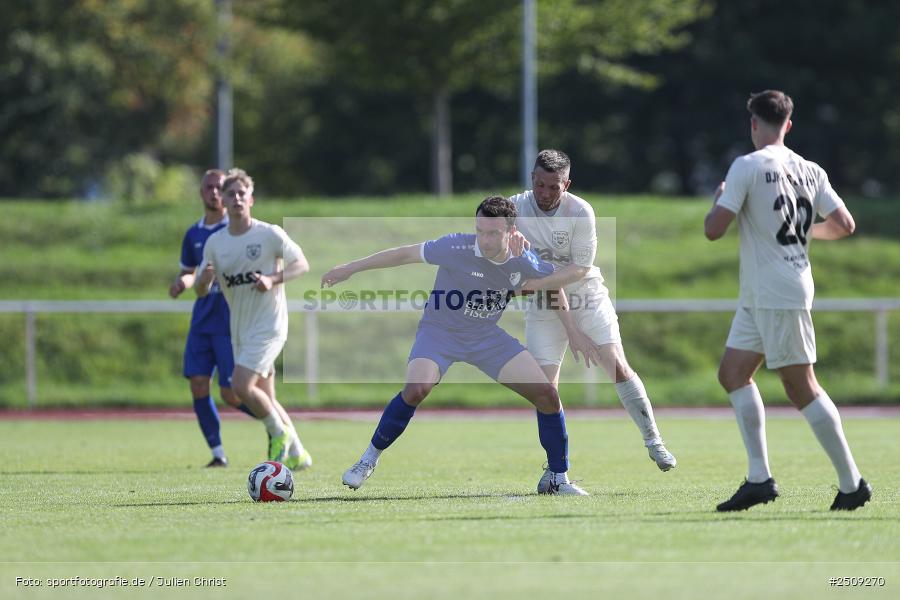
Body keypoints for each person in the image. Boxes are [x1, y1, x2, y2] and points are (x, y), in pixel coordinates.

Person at [322, 195, 589, 495]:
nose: (484, 240)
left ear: (512, 233)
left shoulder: (523, 258)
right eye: (480, 231)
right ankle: (367, 460)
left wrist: (572, 329)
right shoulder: (454, 247)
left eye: (493, 233)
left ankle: (557, 477)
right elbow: (403, 254)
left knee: (547, 395)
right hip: (440, 332)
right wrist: (351, 268)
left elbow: (553, 283)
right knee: (415, 389)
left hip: (485, 336)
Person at [704, 89, 870, 511]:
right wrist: (801, 232)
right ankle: (759, 479)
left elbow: (713, 229)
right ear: (788, 125)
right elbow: (845, 224)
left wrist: (721, 196)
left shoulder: (746, 165)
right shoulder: (809, 168)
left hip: (776, 291)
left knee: (802, 388)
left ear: (754, 123)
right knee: (733, 374)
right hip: (766, 290)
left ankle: (853, 484)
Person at [509, 150, 677, 472]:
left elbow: (578, 270)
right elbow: (488, 229)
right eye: (540, 185)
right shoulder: (515, 207)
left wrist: (531, 289)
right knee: (545, 391)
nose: (544, 194)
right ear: (532, 179)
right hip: (543, 304)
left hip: (586, 296)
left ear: (567, 184)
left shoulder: (581, 211)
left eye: (553, 187)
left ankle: (654, 441)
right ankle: (555, 470)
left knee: (615, 364)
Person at [196, 168, 313, 471]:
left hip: (270, 325)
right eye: (230, 193)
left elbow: (302, 265)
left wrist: (274, 279)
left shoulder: (268, 234)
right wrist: (205, 280)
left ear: (251, 199)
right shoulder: (215, 243)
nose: (236, 198)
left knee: (239, 385)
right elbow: (199, 290)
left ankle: (279, 434)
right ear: (221, 199)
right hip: (240, 330)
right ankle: (298, 453)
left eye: (241, 193)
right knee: (267, 396)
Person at [170, 169, 251, 468]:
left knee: (233, 394)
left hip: (231, 322)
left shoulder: (238, 230)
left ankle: (277, 426)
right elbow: (189, 272)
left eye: (219, 188)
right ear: (201, 192)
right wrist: (183, 282)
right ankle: (218, 453)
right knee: (198, 385)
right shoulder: (194, 234)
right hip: (202, 321)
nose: (214, 193)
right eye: (208, 188)